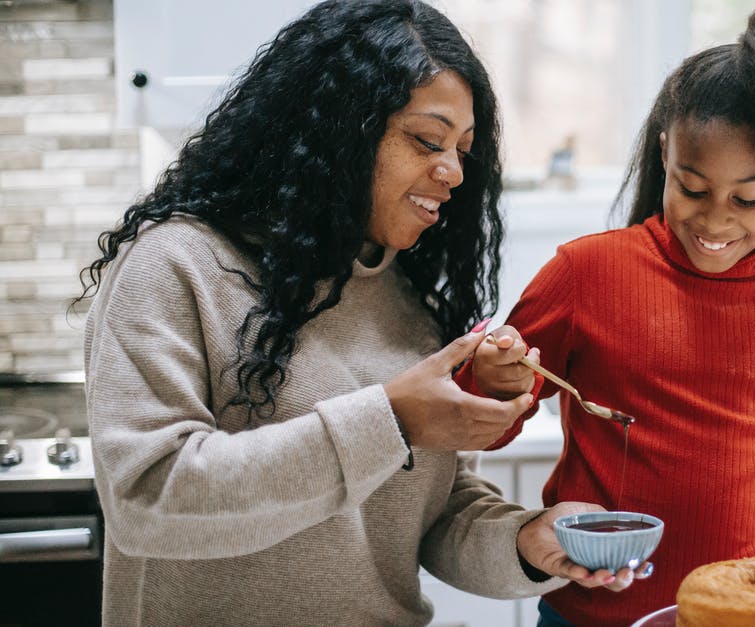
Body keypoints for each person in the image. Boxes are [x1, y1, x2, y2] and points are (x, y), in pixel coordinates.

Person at [75, 2, 644, 625]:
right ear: (337, 129)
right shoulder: (175, 264)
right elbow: (148, 499)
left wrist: (526, 540)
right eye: (428, 141)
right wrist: (393, 420)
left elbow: (435, 513)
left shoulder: (410, 301)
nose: (454, 171)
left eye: (463, 149)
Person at [465, 5, 755, 626]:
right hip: (592, 615)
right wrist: (495, 382)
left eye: (748, 198)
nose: (715, 220)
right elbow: (479, 426)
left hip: (751, 618)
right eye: (693, 188)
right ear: (665, 157)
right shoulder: (585, 273)